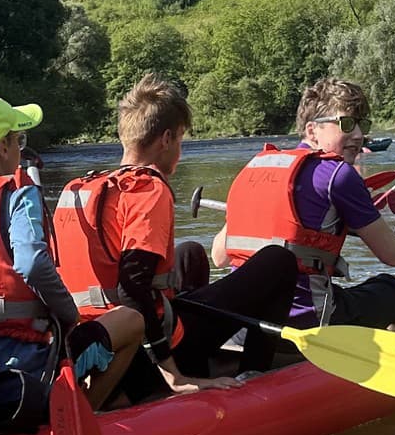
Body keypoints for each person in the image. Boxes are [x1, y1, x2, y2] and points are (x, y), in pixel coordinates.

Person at [54, 72, 296, 401]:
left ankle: (200, 361)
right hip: (141, 355)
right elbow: (132, 287)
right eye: (180, 140)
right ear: (166, 139)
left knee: (190, 253)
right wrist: (173, 374)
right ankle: (254, 375)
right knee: (279, 261)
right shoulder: (148, 189)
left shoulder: (81, 189)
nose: (179, 152)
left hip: (96, 341)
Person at [0, 91, 145, 414]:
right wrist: (70, 314)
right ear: (3, 147)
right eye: (18, 140)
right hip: (26, 365)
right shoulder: (18, 196)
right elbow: (32, 263)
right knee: (131, 321)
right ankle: (80, 416)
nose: (19, 149)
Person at [215, 77, 395, 330]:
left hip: (241, 321)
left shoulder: (255, 168)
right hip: (308, 323)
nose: (359, 135)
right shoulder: (339, 175)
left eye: (362, 124)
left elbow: (219, 257)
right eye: (346, 123)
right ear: (312, 130)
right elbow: (392, 254)